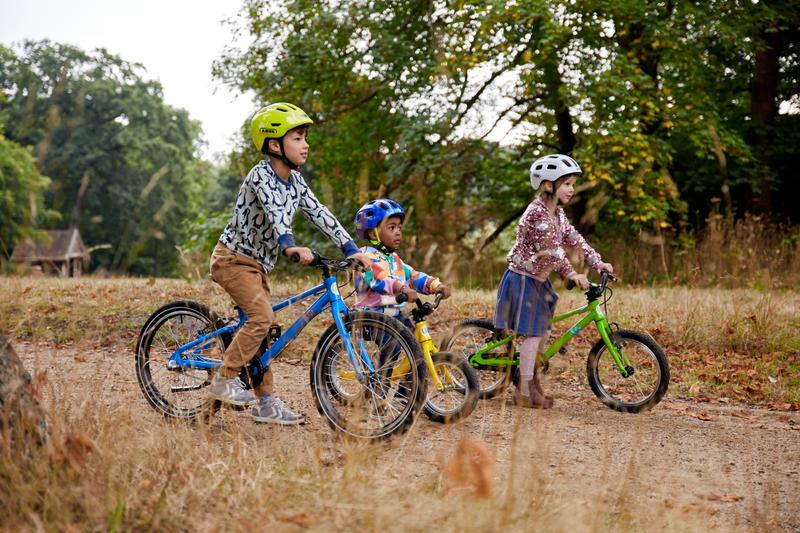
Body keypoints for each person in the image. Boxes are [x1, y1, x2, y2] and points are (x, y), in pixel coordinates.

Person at [208, 102, 371, 425]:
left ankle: (265, 403)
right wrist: (290, 245)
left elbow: (319, 212)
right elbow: (276, 214)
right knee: (261, 318)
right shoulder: (261, 175)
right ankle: (224, 378)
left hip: (257, 266)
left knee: (263, 330)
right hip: (232, 260)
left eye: (305, 137)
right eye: (297, 138)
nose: (306, 144)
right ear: (274, 144)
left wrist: (351, 247)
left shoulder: (295, 181)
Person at [494, 154, 614, 409]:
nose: (572, 189)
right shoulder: (537, 214)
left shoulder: (557, 213)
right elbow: (552, 252)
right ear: (548, 185)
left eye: (572, 183)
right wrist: (571, 274)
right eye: (567, 183)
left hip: (540, 280)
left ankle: (530, 378)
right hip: (524, 280)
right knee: (533, 333)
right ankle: (524, 391)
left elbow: (574, 239)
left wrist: (597, 262)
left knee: (542, 332)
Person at [352, 199, 451, 327]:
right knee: (395, 346)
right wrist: (402, 289)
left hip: (395, 315)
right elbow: (380, 279)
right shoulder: (365, 257)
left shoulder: (393, 258)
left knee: (414, 342)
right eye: (392, 227)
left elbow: (412, 276)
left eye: (399, 227)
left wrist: (435, 285)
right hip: (371, 317)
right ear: (372, 233)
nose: (398, 232)